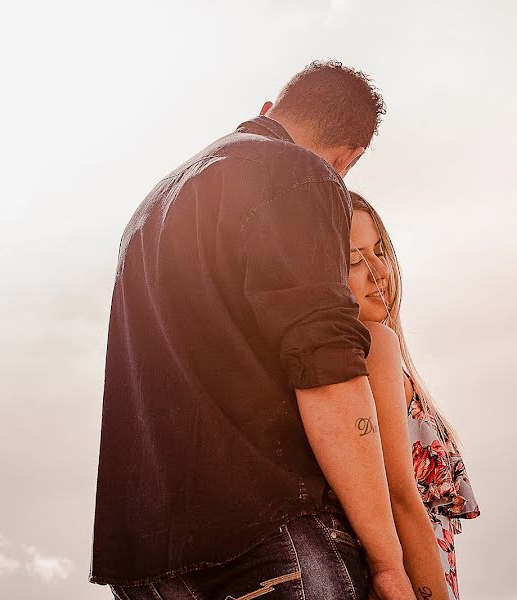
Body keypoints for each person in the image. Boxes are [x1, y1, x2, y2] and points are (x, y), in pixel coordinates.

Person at [89, 61, 418, 600]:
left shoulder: (149, 213)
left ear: (268, 110)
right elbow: (328, 373)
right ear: (347, 159)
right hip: (270, 538)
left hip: (146, 557)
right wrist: (387, 563)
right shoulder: (303, 175)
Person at [346, 192, 481, 600]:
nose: (379, 271)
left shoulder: (368, 354)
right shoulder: (374, 347)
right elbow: (401, 498)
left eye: (380, 250)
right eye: (354, 260)